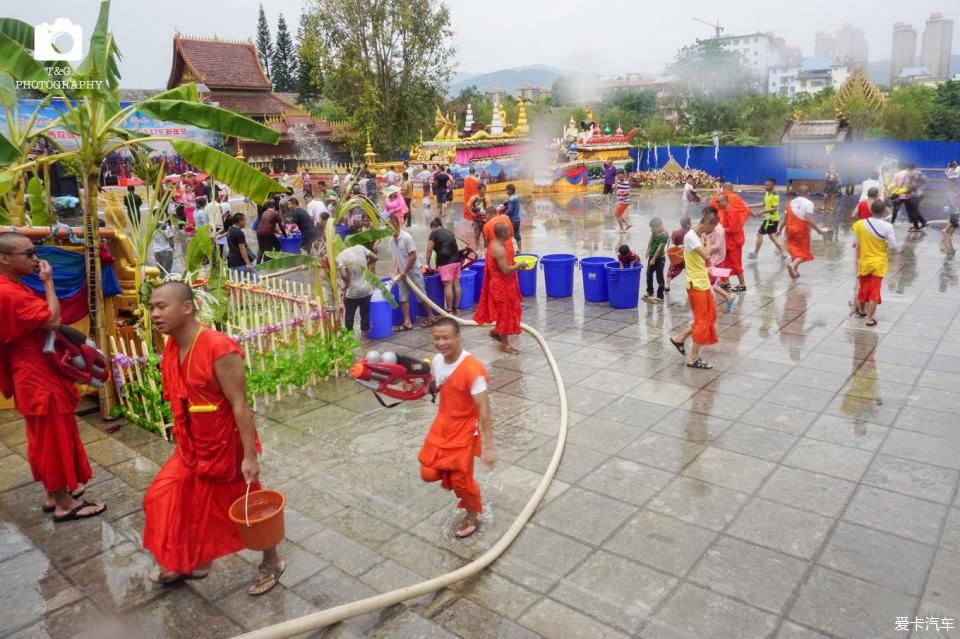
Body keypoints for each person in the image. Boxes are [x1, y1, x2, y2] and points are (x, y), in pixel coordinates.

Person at [143, 281, 283, 594]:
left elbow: (240, 406)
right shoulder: (173, 346)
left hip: (225, 448)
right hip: (191, 448)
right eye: (151, 307)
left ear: (187, 307)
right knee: (164, 497)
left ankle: (272, 561)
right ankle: (189, 559)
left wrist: (249, 457)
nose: (154, 314)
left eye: (161, 306)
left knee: (248, 511)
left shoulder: (219, 348)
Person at [0, 232, 106, 523]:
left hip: (30, 371)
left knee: (44, 439)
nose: (36, 259)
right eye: (29, 254)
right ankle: (63, 503)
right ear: (5, 259)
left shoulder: (11, 285)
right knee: (54, 438)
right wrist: (48, 282)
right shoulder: (7, 292)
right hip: (36, 375)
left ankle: (53, 493)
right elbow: (52, 319)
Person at [419, 317, 494, 539]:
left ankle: (473, 513)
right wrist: (417, 385)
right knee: (428, 472)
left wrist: (488, 447)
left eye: (446, 338)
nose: (441, 343)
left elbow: (484, 409)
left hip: (464, 430)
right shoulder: (436, 361)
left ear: (458, 337)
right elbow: (435, 387)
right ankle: (460, 484)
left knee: (462, 480)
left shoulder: (473, 370)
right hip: (442, 425)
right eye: (436, 338)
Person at [669, 208, 719, 370]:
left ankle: (679, 338)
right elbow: (706, 255)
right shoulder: (691, 237)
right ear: (706, 224)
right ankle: (693, 358)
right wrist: (709, 244)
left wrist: (706, 242)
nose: (710, 233)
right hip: (695, 285)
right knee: (702, 320)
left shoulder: (697, 236)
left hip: (702, 282)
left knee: (711, 316)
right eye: (710, 229)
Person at [474, 223, 524, 354]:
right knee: (504, 314)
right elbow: (506, 270)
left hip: (502, 284)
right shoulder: (498, 249)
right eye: (508, 232)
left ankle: (497, 332)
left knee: (505, 312)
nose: (510, 234)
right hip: (500, 286)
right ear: (503, 234)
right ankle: (505, 345)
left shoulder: (496, 243)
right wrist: (519, 266)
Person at [852, 199, 898, 326]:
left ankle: (861, 310)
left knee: (863, 287)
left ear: (871, 210)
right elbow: (894, 246)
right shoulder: (887, 227)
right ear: (883, 212)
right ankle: (869, 319)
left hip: (864, 261)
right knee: (874, 291)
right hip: (878, 263)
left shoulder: (860, 224)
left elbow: (856, 243)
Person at [389, 215, 435, 329]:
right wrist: (394, 273)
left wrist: (405, 272)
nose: (387, 227)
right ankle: (407, 322)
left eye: (388, 225)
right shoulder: (391, 241)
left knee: (421, 295)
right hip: (403, 274)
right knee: (403, 298)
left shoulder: (406, 237)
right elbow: (396, 257)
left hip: (413, 271)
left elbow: (413, 256)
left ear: (396, 224)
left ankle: (431, 316)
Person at [781, 185, 829, 279]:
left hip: (790, 230)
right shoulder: (809, 203)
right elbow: (808, 218)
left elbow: (785, 219)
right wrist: (818, 230)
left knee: (795, 251)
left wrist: (779, 229)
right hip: (801, 230)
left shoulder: (790, 203)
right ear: (808, 193)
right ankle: (793, 265)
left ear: (798, 193)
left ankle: (795, 271)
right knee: (804, 253)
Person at [710, 187, 750, 292]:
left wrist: (722, 229)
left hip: (734, 242)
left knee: (735, 263)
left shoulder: (731, 211)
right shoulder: (726, 210)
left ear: (725, 201)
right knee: (725, 262)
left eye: (718, 202)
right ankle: (726, 282)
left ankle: (742, 284)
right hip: (729, 241)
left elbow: (734, 228)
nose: (717, 204)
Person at [337, 244, 377, 348]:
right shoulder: (361, 247)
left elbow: (344, 275)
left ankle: (349, 339)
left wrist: (346, 283)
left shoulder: (340, 256)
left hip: (353, 292)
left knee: (349, 316)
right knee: (365, 314)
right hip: (366, 290)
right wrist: (367, 266)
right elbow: (375, 257)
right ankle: (364, 339)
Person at [427, 218, 462, 314]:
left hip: (446, 262)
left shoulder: (434, 233)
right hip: (457, 261)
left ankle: (449, 309)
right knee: (457, 284)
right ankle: (457, 307)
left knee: (448, 286)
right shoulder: (449, 232)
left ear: (434, 227)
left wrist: (427, 263)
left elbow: (429, 250)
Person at [748, 178, 785, 259]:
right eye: (765, 185)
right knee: (772, 237)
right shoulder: (767, 193)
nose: (765, 186)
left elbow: (775, 208)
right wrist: (752, 205)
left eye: (767, 185)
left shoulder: (775, 195)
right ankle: (783, 253)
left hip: (771, 219)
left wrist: (762, 211)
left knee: (759, 234)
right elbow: (763, 203)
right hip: (770, 218)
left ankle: (755, 253)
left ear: (772, 186)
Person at [642, 217, 668, 304]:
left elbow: (660, 248)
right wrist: (647, 250)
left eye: (654, 228)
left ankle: (660, 296)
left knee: (659, 277)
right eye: (652, 228)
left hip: (660, 258)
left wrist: (653, 259)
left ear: (660, 225)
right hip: (652, 256)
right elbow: (651, 239)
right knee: (648, 274)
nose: (653, 230)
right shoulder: (654, 231)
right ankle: (650, 292)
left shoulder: (665, 235)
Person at [666, 216, 692, 291]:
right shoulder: (690, 233)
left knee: (672, 269)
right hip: (688, 255)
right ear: (688, 225)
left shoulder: (676, 232)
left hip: (677, 255)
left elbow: (673, 241)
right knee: (690, 271)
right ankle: (690, 287)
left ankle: (667, 285)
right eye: (690, 222)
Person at [904, 163, 928, 232]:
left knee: (912, 211)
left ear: (908, 167)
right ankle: (924, 222)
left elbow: (911, 185)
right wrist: (920, 186)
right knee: (915, 210)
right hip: (920, 194)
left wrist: (907, 189)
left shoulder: (910, 174)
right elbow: (926, 180)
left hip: (913, 194)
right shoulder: (919, 172)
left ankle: (916, 227)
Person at [468, 183, 492, 249]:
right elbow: (467, 206)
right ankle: (477, 248)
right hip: (476, 221)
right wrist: (472, 213)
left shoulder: (487, 199)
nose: (485, 191)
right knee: (476, 236)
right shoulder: (473, 198)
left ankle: (485, 248)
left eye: (485, 189)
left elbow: (490, 210)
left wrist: (487, 218)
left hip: (485, 221)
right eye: (483, 189)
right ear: (478, 190)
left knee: (486, 236)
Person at [500, 184, 523, 252]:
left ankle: (508, 250)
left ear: (510, 190)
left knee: (507, 235)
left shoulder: (511, 199)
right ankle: (520, 249)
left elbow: (510, 210)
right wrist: (507, 202)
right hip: (517, 219)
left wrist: (503, 215)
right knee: (517, 234)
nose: (506, 191)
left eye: (506, 190)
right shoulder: (516, 197)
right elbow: (513, 203)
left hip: (512, 220)